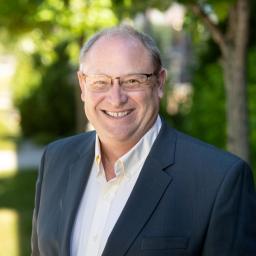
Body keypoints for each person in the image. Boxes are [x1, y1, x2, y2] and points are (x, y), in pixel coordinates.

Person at [31, 25, 256, 256]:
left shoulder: (220, 180)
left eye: (132, 81)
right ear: (82, 85)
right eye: (101, 82)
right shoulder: (56, 159)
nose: (116, 98)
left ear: (159, 83)